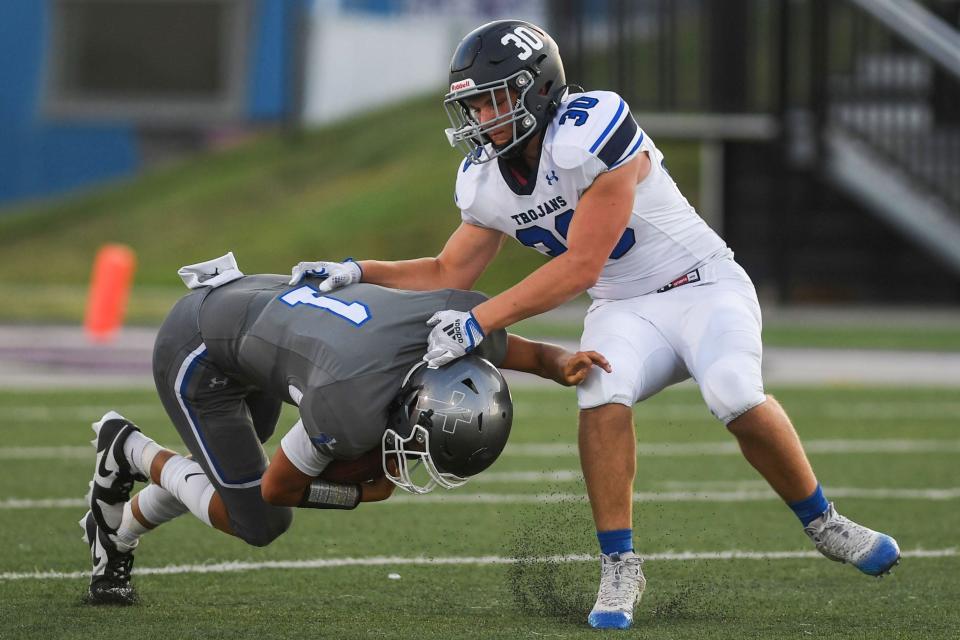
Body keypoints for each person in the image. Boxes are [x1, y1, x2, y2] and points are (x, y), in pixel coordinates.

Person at [295, 19, 902, 630]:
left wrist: (479, 321)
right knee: (601, 392)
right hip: (625, 307)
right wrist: (358, 270)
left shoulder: (590, 127)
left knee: (734, 393)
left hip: (704, 286)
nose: (479, 115)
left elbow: (582, 264)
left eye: (491, 98)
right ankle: (619, 564)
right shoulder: (486, 178)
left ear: (535, 89)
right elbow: (448, 268)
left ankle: (824, 522)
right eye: (472, 103)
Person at [81, 253, 609, 605]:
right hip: (199, 348)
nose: (415, 457)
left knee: (232, 468)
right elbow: (279, 488)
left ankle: (118, 526)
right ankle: (126, 448)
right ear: (411, 407)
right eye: (422, 444)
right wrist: (361, 493)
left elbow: (523, 350)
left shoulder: (454, 331)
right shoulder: (351, 407)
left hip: (256, 310)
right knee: (259, 520)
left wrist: (558, 362)